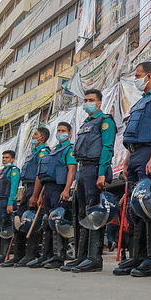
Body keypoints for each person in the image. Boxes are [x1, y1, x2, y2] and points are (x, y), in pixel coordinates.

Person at [113, 62, 151, 278]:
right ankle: (137, 255)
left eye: (138, 76)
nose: (136, 80)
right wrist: (128, 161)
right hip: (136, 156)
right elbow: (132, 136)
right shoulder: (140, 103)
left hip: (150, 153)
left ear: (149, 76)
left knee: (150, 205)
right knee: (134, 208)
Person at [62, 89, 115, 273]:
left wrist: (102, 173)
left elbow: (107, 148)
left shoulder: (105, 121)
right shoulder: (86, 123)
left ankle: (94, 258)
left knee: (94, 213)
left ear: (99, 103)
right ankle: (81, 256)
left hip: (94, 170)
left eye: (91, 100)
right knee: (82, 214)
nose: (87, 103)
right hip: (83, 170)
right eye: (85, 100)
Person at [29, 122, 77, 269]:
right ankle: (46, 255)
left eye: (63, 130)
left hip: (59, 188)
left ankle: (58, 256)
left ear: (69, 133)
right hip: (49, 188)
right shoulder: (54, 150)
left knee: (57, 221)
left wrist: (67, 190)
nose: (60, 132)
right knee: (47, 222)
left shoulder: (69, 149)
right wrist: (41, 194)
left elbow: (71, 170)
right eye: (58, 130)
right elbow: (47, 175)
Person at [3, 129, 51, 267]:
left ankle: (30, 255)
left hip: (35, 188)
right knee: (19, 221)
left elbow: (40, 174)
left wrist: (36, 194)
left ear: (42, 138)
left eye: (35, 134)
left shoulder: (43, 152)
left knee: (32, 221)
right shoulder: (33, 153)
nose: (33, 137)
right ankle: (18, 255)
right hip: (26, 188)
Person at [0, 150, 20, 266]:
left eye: (7, 158)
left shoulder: (14, 171)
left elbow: (13, 188)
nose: (4, 159)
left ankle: (3, 254)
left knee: (5, 228)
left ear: (12, 159)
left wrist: (10, 203)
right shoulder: (1, 172)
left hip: (6, 202)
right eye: (3, 158)